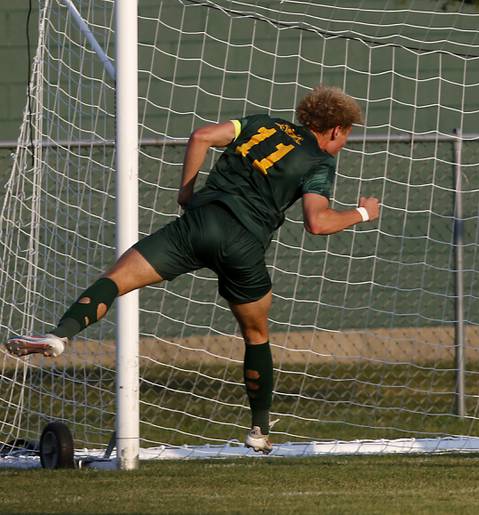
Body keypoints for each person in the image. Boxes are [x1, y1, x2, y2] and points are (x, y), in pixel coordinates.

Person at [3, 85, 380, 454]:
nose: (343, 144)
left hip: (198, 223)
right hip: (244, 245)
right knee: (256, 334)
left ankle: (59, 336)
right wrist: (363, 213)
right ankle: (259, 430)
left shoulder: (261, 124)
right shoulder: (320, 160)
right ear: (336, 130)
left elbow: (201, 136)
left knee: (114, 281)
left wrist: (185, 194)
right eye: (345, 136)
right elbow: (318, 222)